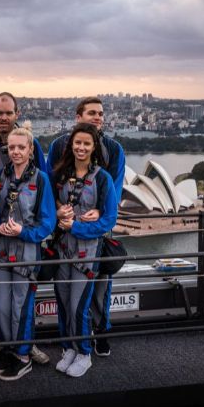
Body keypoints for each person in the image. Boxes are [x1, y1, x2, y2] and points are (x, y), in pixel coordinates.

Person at [0, 92, 49, 368]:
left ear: (17, 114)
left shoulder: (34, 144)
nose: (4, 117)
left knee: (23, 296)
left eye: (9, 113)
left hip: (24, 234)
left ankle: (25, 343)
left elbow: (42, 184)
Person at [47, 97, 125, 356]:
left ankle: (100, 333)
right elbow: (50, 182)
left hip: (96, 227)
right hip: (66, 226)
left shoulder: (114, 149)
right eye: (92, 113)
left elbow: (113, 186)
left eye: (101, 113)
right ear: (78, 116)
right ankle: (71, 342)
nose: (98, 117)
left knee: (100, 285)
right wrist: (58, 208)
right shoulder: (60, 145)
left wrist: (101, 211)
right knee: (66, 288)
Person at [0, 126, 56, 381]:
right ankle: (10, 349)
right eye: (12, 147)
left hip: (27, 253)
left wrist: (22, 232)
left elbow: (47, 222)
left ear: (30, 150)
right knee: (2, 307)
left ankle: (24, 356)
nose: (16, 152)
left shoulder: (41, 180)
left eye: (21, 147)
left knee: (22, 307)